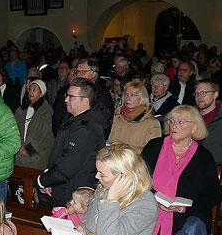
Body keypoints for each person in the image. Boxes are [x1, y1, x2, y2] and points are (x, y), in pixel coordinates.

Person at [142, 106, 222, 235]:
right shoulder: (154, 146)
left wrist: (182, 207)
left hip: (183, 220)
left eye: (181, 122)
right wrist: (153, 198)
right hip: (148, 215)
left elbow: (213, 194)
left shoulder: (203, 157)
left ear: (194, 127)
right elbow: (138, 178)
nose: (174, 125)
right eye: (172, 121)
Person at [37, 78, 106, 207]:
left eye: (71, 97)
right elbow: (59, 153)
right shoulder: (74, 120)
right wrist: (51, 180)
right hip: (62, 188)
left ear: (85, 100)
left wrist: (42, 181)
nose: (66, 100)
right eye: (66, 96)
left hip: (74, 196)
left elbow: (68, 165)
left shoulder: (87, 129)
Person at [108, 81, 161, 152]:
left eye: (132, 95)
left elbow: (152, 152)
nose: (127, 98)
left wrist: (124, 148)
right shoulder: (117, 117)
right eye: (126, 94)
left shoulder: (152, 123)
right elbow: (110, 141)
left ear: (142, 98)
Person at [13, 79, 54, 170]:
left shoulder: (46, 112)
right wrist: (18, 146)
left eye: (34, 90)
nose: (31, 92)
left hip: (36, 156)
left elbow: (44, 136)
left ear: (41, 93)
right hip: (20, 152)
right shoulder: (22, 109)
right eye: (30, 90)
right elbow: (14, 128)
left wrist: (29, 149)